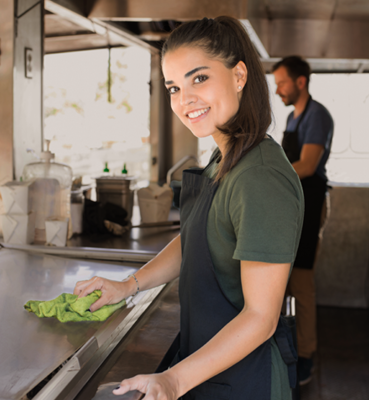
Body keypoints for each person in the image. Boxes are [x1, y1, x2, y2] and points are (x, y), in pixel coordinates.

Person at [74, 17, 304, 400]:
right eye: (174, 87)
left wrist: (174, 380)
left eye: (199, 79)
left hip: (245, 383)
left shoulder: (260, 177)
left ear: (239, 75)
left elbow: (261, 318)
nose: (184, 99)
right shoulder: (225, 158)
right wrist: (127, 286)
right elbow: (196, 240)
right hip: (210, 371)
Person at [272, 56, 334, 385]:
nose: (277, 89)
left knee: (302, 282)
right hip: (293, 206)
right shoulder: (292, 117)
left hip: (310, 205)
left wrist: (267, 175)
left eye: (281, 82)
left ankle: (307, 355)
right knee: (284, 281)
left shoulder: (317, 115)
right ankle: (288, 349)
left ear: (300, 82)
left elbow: (308, 165)